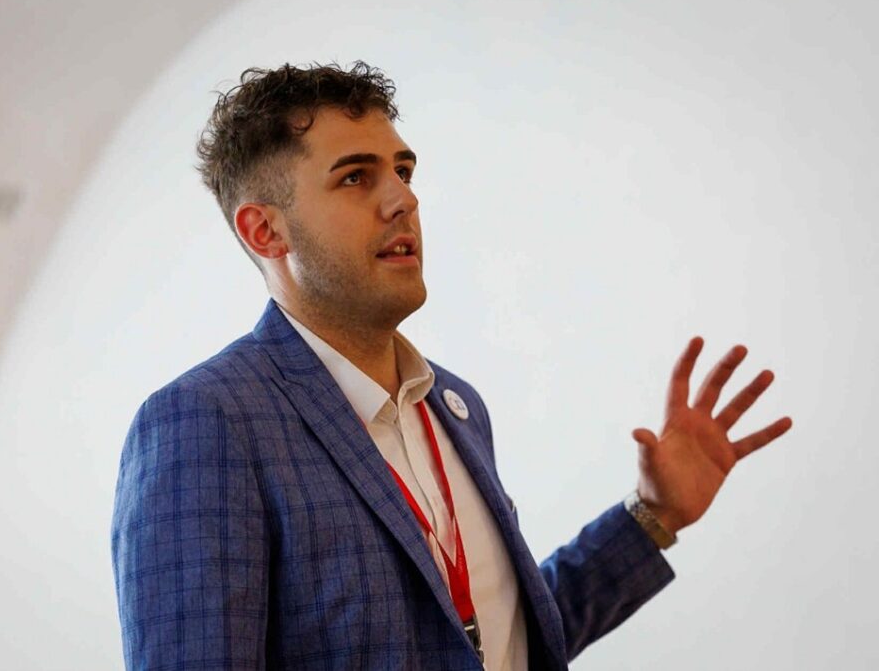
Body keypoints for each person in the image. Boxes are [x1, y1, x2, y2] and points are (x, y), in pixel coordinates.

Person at [110, 61, 792, 670]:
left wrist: (653, 515)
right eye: (355, 177)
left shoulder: (454, 405)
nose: (403, 200)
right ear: (266, 231)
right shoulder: (207, 421)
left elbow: (500, 638)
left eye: (403, 172)